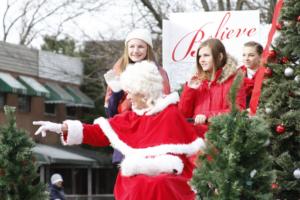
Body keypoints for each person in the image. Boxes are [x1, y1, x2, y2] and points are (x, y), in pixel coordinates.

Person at [33, 61, 205, 200]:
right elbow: (97, 133)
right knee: (137, 184)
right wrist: (60, 127)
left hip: (171, 174)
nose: (128, 97)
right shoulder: (129, 119)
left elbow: (193, 148)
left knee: (160, 183)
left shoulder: (170, 114)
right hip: (137, 177)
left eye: (130, 92)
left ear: (144, 92)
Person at [104, 28, 170, 164]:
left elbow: (165, 106)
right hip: (125, 133)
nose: (136, 50)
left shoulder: (158, 72)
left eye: (140, 46)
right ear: (126, 49)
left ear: (148, 49)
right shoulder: (118, 71)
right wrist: (116, 91)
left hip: (150, 133)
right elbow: (110, 113)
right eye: (132, 46)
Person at [178, 38, 246, 138]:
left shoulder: (234, 80)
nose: (201, 60)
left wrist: (207, 115)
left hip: (222, 140)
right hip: (196, 140)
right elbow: (183, 115)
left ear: (219, 56)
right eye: (199, 56)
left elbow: (237, 111)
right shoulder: (196, 82)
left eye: (206, 55)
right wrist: (190, 90)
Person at [239, 41, 263, 107]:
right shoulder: (236, 76)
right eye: (244, 55)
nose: (246, 59)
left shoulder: (268, 74)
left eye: (251, 55)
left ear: (260, 56)